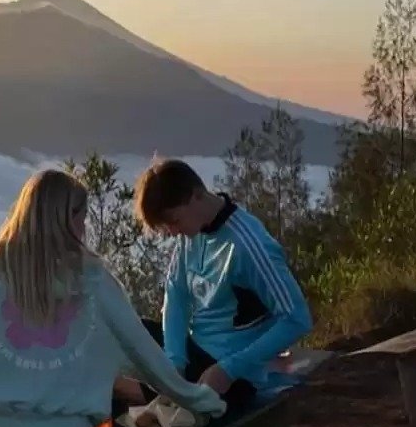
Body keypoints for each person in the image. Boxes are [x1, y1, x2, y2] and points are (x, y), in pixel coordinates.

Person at [0, 169, 226, 427]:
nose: (84, 227)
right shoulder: (94, 277)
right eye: (83, 218)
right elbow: (144, 353)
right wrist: (201, 400)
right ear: (69, 217)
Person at [119, 158, 313, 413]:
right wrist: (175, 360)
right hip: (195, 354)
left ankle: (128, 393)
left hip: (232, 375)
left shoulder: (249, 246)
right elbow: (176, 296)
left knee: (121, 386)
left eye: (174, 221)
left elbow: (297, 319)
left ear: (197, 195)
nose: (173, 232)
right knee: (121, 330)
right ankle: (152, 392)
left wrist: (228, 370)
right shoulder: (193, 233)